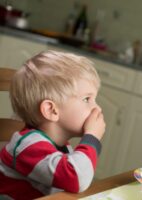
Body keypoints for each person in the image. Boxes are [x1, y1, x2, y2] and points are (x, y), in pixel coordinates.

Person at [0, 50, 106, 199]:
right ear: (51, 110)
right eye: (87, 99)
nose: (97, 108)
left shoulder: (59, 144)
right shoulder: (28, 146)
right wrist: (92, 138)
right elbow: (77, 179)